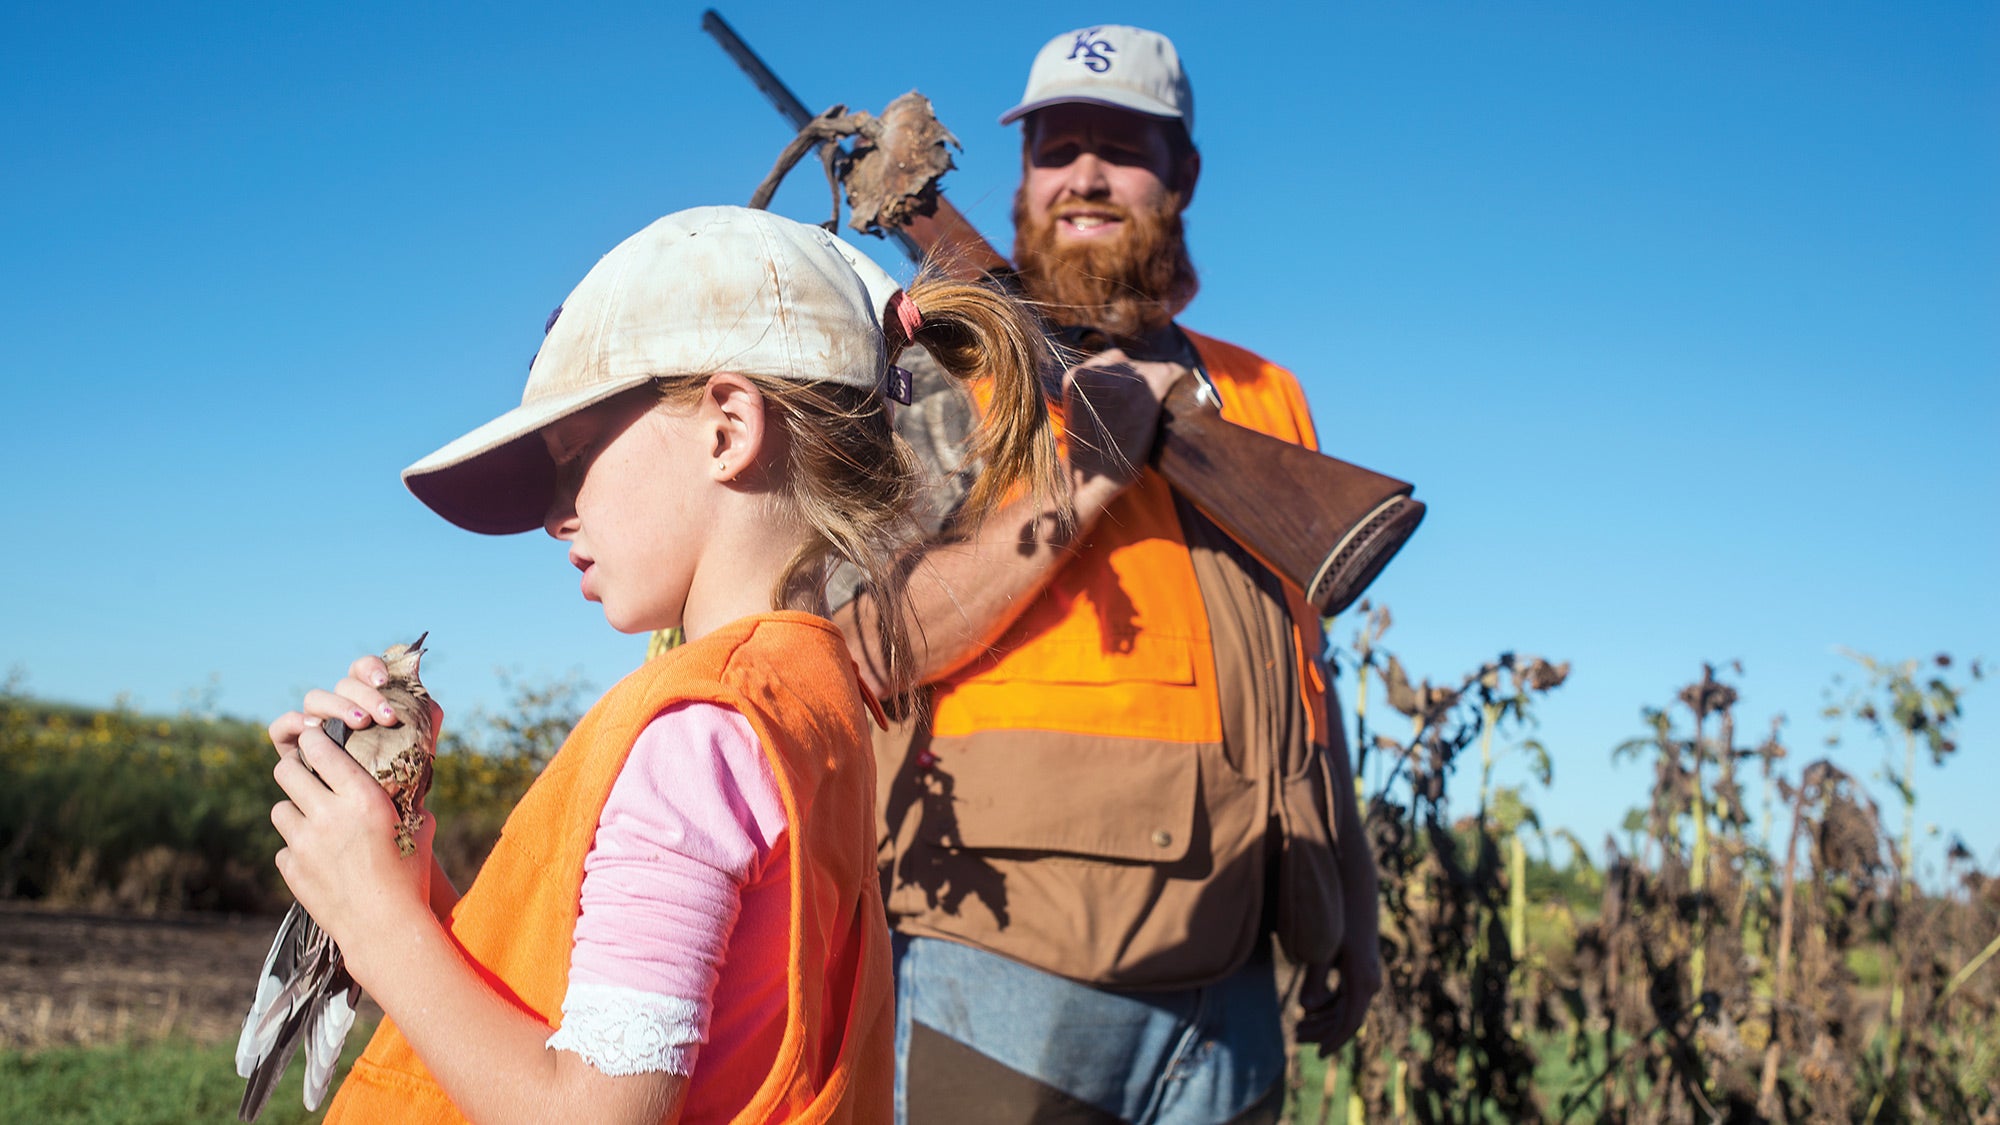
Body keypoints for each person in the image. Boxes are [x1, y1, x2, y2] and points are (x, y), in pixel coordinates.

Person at [259, 205, 1064, 1123]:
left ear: (727, 428)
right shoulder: (798, 699)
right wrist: (393, 858)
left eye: (572, 459)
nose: (556, 515)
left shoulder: (700, 734)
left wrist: (377, 927)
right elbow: (576, 1010)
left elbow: (595, 1113)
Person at [834, 25, 1384, 1125]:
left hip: (1233, 969)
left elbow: (1303, 682)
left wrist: (1351, 901)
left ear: (1180, 173)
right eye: (1055, 147)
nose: (1084, 174)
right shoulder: (938, 363)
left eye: (1122, 146)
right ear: (1021, 178)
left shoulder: (1261, 393)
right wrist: (1077, 479)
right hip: (1006, 952)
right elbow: (864, 645)